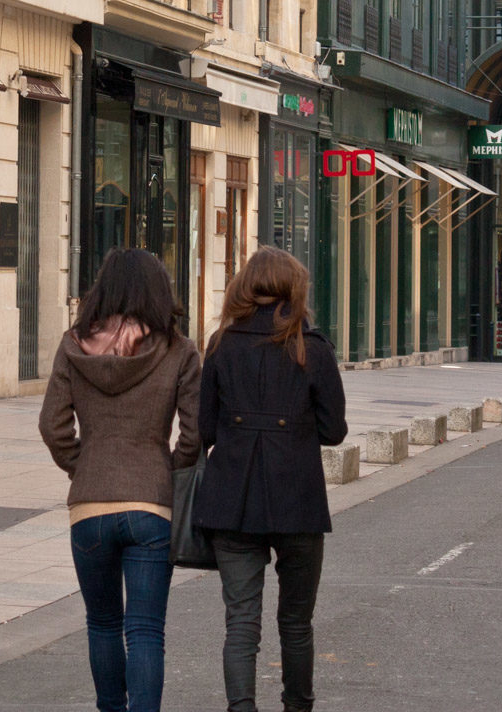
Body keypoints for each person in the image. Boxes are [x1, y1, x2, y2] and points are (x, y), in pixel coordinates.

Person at [39, 249, 201, 712]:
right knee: (146, 629)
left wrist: (83, 464)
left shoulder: (73, 346)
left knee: (103, 623)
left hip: (88, 506)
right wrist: (165, 469)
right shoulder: (179, 350)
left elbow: (52, 427)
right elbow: (195, 433)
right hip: (151, 506)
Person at [193, 247, 348, 712]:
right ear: (294, 289)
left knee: (240, 621)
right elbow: (334, 431)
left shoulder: (221, 343)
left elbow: (202, 429)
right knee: (296, 622)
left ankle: (241, 707)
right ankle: (297, 706)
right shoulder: (312, 348)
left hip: (232, 499)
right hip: (297, 498)